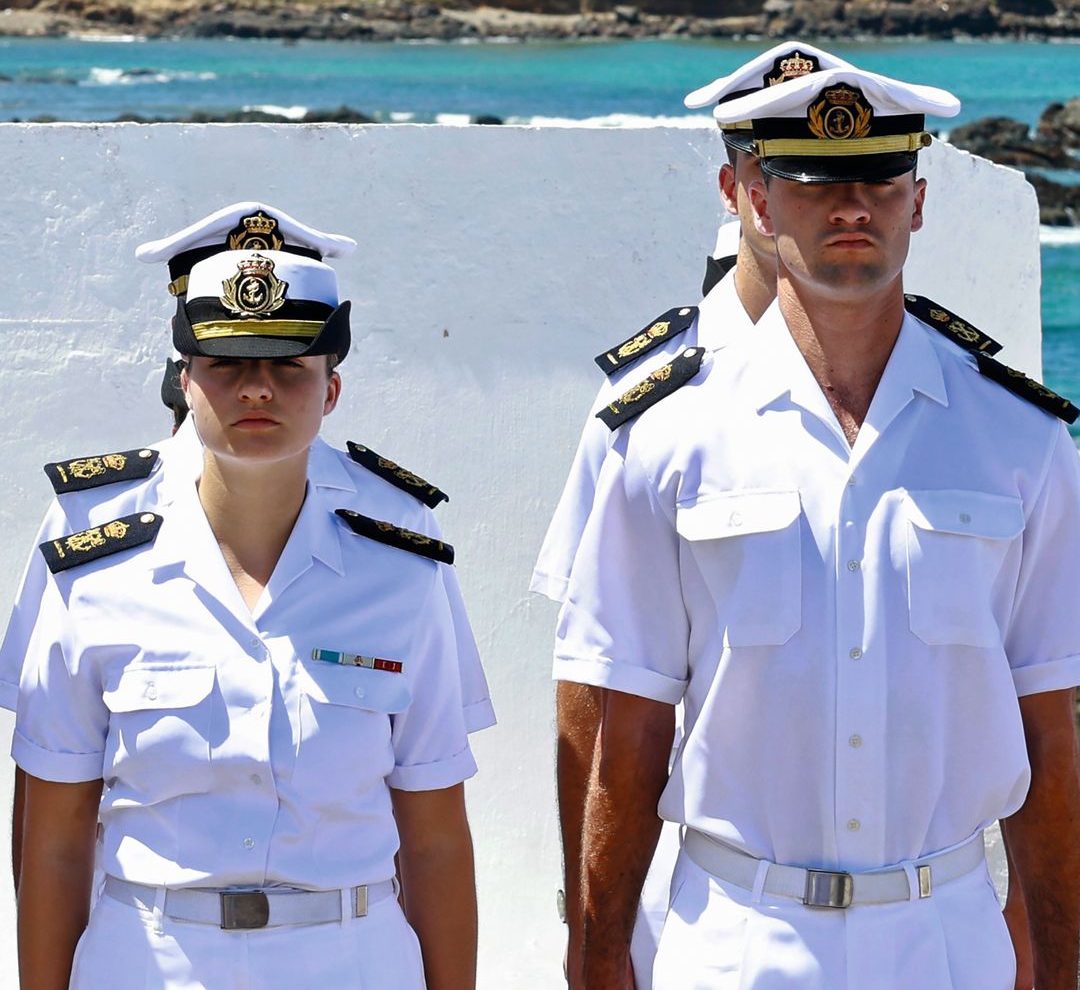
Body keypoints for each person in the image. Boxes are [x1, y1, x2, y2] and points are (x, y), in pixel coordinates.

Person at [552, 61, 1080, 989]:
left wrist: (1061, 960)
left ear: (917, 203)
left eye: (880, 184)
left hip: (947, 940)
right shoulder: (668, 436)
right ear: (755, 199)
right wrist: (598, 958)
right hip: (736, 940)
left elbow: (1049, 732)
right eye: (816, 184)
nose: (852, 210)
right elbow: (625, 736)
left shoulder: (1019, 440)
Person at [13, 244, 481, 989]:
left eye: (289, 366)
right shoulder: (96, 580)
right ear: (185, 382)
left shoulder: (404, 580)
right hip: (149, 957)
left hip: (352, 958)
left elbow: (435, 842)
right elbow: (55, 840)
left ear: (331, 391)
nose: (257, 390)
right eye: (228, 365)